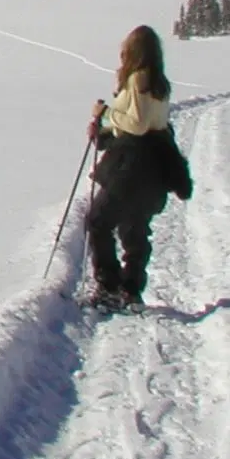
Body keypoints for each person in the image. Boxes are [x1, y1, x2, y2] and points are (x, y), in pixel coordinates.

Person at [84, 25, 189, 309]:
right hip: (154, 163)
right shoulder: (159, 82)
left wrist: (105, 114)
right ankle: (131, 289)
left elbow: (137, 125)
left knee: (98, 221)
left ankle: (109, 286)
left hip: (131, 164)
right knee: (135, 226)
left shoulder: (138, 79)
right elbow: (152, 124)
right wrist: (108, 132)